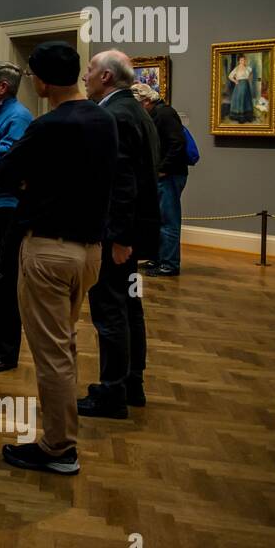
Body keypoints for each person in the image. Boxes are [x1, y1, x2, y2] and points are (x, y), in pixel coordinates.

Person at [0, 42, 117, 476]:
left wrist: (33, 180)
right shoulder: (104, 119)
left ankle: (57, 447)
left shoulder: (49, 126)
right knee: (63, 343)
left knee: (51, 353)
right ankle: (59, 439)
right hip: (89, 250)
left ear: (43, 81)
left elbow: (6, 173)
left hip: (49, 249)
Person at [79, 50, 160, 419]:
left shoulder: (113, 115)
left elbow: (122, 184)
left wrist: (118, 238)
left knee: (110, 308)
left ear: (107, 77)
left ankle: (112, 391)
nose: (86, 75)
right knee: (129, 306)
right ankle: (131, 383)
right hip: (131, 233)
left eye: (91, 70)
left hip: (117, 235)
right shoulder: (137, 112)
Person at [0, 60, 33, 373]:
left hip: (7, 207)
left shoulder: (18, 116)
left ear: (3, 87)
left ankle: (6, 352)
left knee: (4, 280)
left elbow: (12, 159)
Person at [132, 82, 189, 277]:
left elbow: (177, 143)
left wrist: (162, 170)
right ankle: (158, 258)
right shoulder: (158, 114)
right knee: (159, 219)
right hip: (164, 175)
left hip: (170, 176)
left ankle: (169, 264)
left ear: (147, 101)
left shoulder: (164, 114)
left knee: (168, 220)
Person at [228, 54, 254, 123]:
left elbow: (251, 75)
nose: (243, 61)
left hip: (246, 85)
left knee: (247, 100)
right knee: (240, 99)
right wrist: (235, 81)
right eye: (241, 60)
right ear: (239, 61)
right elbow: (230, 76)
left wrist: (249, 79)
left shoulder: (248, 68)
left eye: (244, 60)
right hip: (239, 86)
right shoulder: (236, 68)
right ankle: (240, 117)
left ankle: (247, 116)